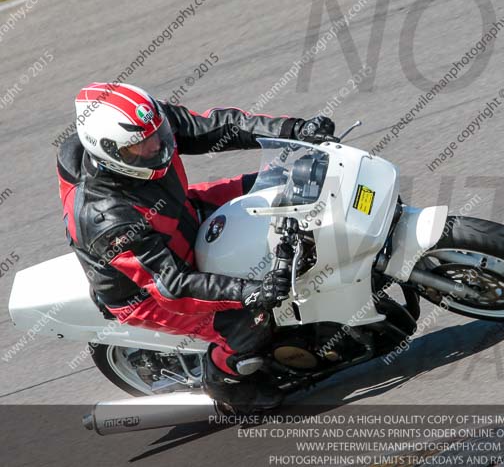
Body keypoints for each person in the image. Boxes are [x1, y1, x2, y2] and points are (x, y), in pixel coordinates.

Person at [56, 82, 334, 408]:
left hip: (181, 211)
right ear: (108, 152)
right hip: (148, 289)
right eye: (140, 147)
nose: (156, 147)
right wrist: (251, 292)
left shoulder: (145, 127)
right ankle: (226, 385)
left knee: (289, 179)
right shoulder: (106, 217)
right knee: (251, 321)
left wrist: (293, 129)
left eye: (157, 135)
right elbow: (174, 286)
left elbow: (216, 127)